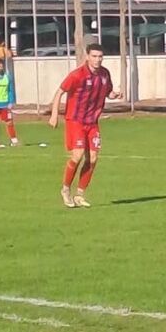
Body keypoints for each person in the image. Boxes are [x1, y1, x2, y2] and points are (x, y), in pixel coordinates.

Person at [48, 43, 121, 208]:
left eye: (100, 56)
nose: (97, 60)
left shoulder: (104, 74)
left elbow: (107, 90)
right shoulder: (77, 75)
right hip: (75, 120)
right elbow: (60, 92)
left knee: (93, 158)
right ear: (87, 56)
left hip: (92, 122)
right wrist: (54, 114)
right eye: (94, 56)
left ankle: (80, 194)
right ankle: (65, 189)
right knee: (77, 155)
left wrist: (114, 94)